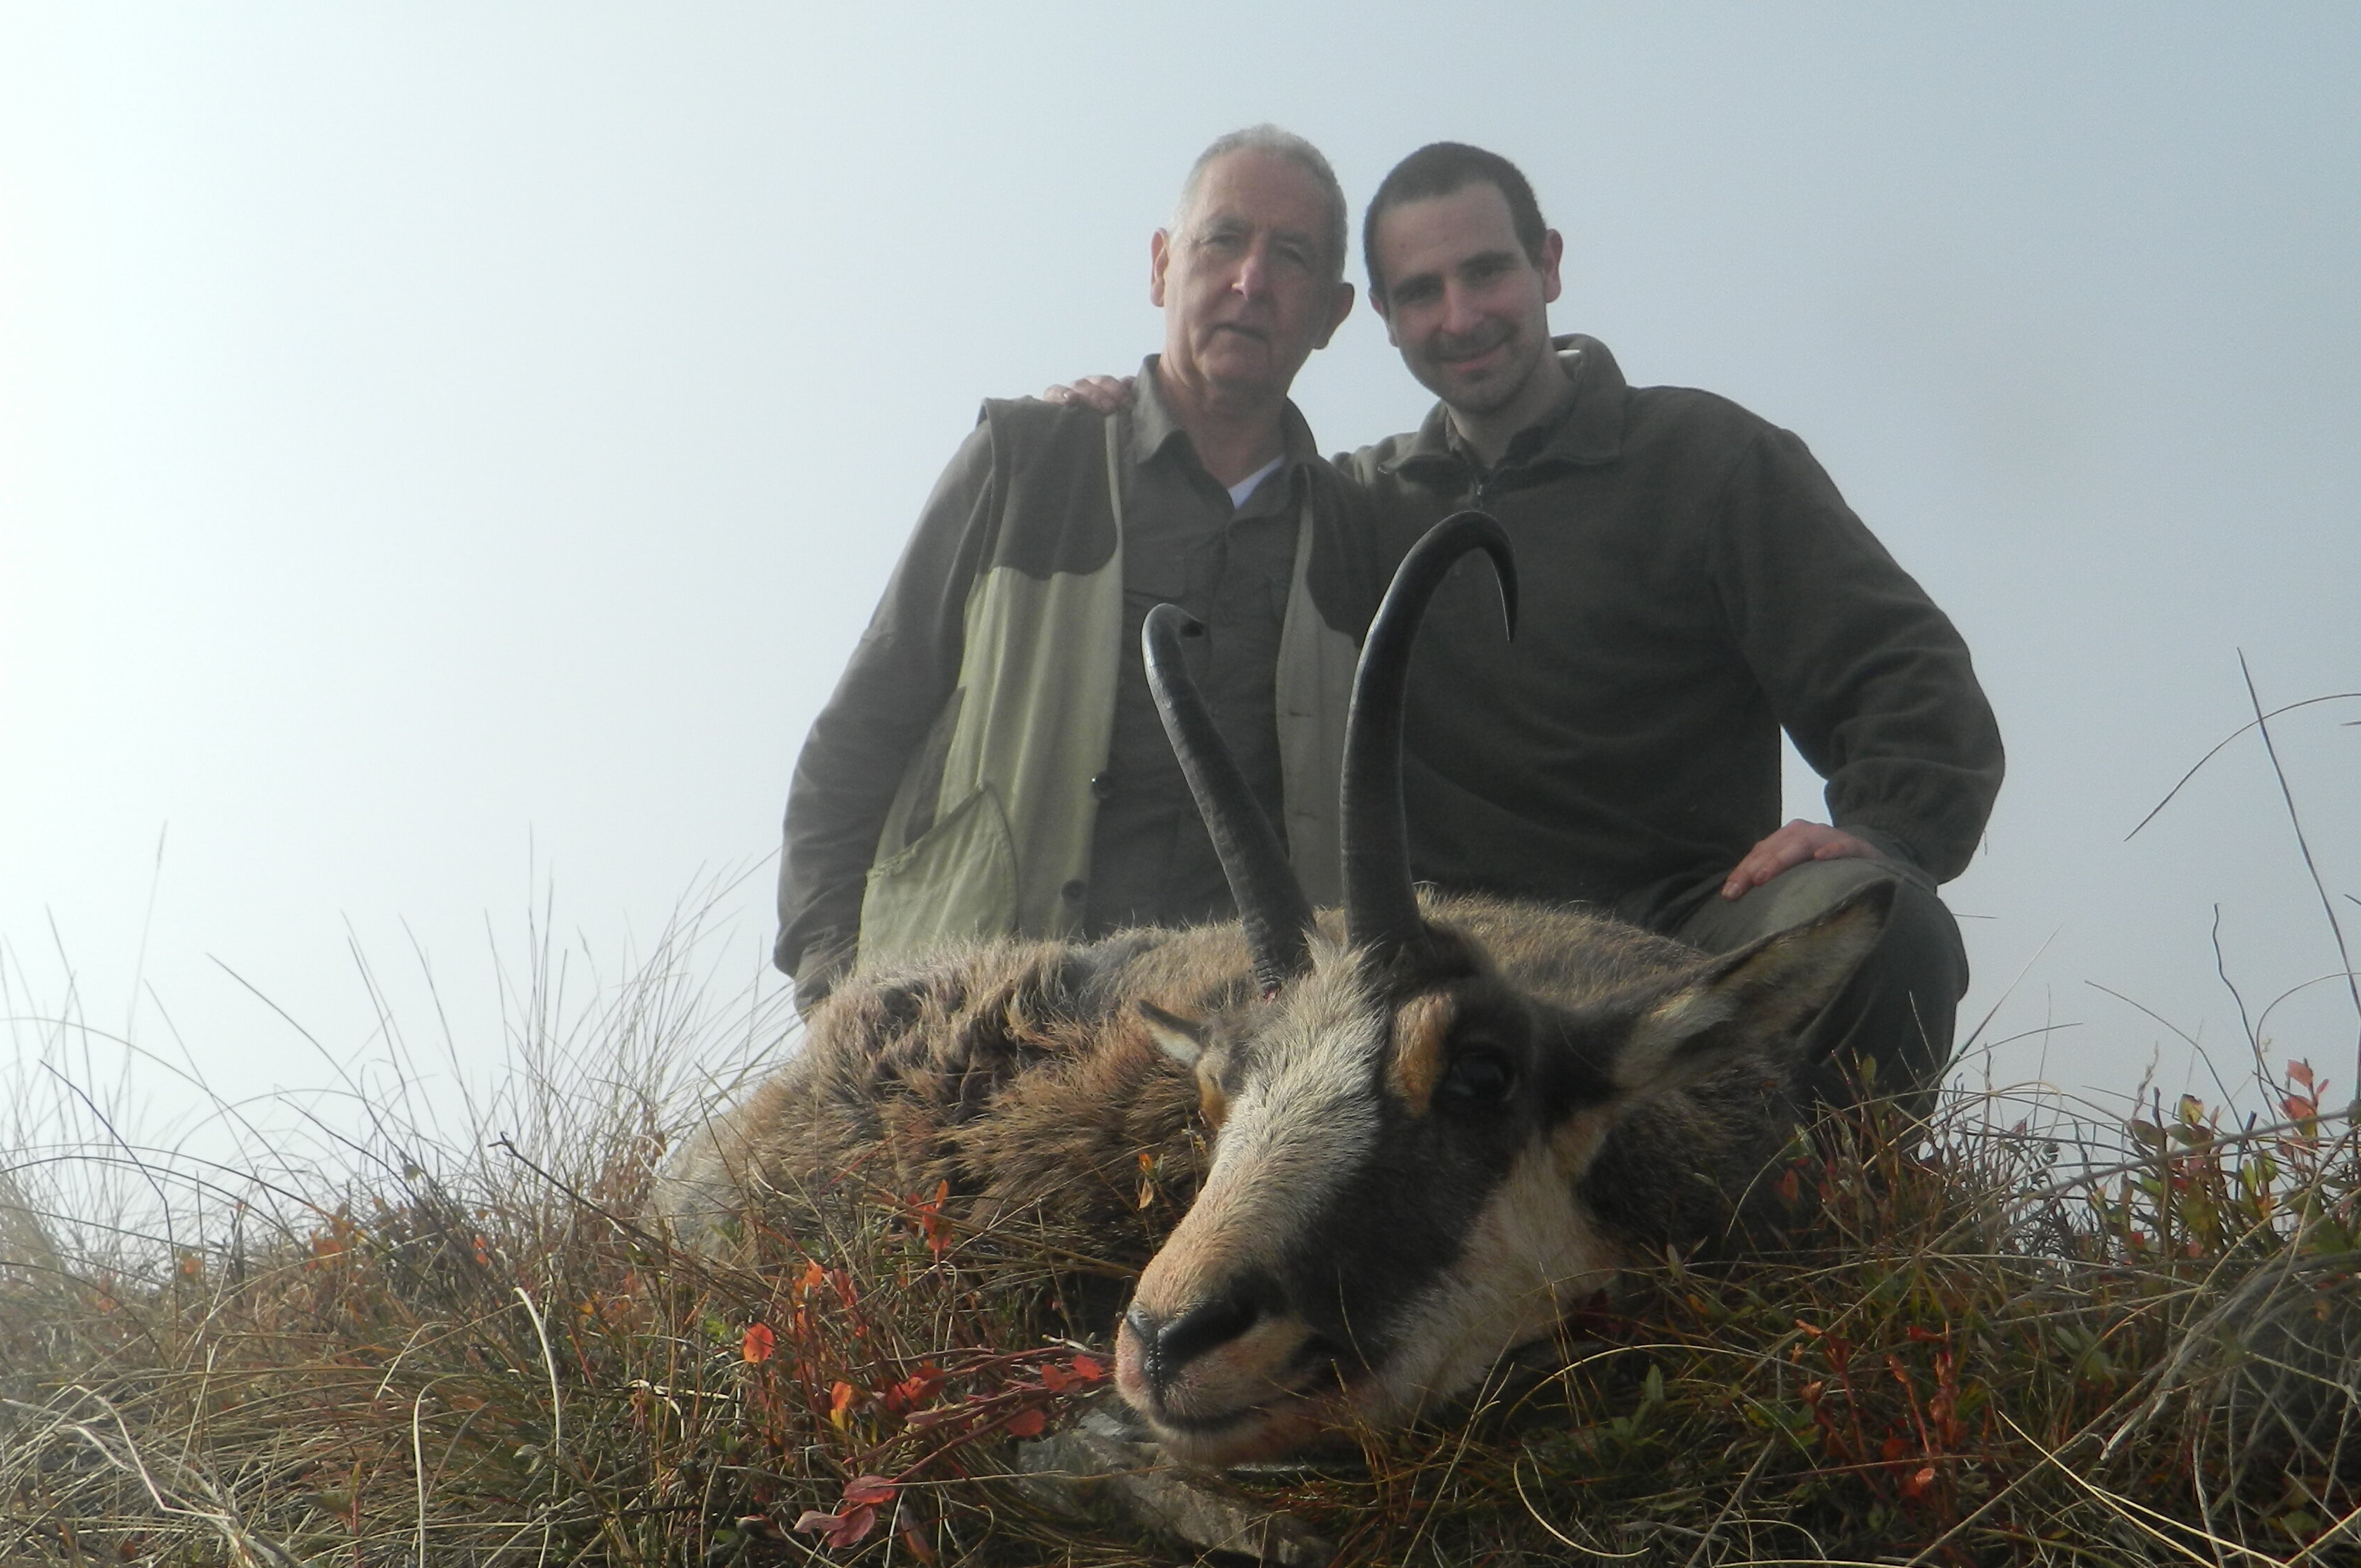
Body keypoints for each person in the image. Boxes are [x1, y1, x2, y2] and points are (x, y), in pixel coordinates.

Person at [1055, 142, 2000, 1106]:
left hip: (1684, 932)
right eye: (1421, 292)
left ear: (1547, 262)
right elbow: (1218, 492)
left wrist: (1886, 831)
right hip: (1443, 965)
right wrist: (1113, 424)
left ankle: (1809, 1238)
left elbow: (1903, 673)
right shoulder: (1351, 509)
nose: (1461, 318)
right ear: (1380, 319)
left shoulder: (1707, 459)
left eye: (1487, 272)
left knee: (1885, 927)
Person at [771, 127, 1386, 1008]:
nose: (1251, 280)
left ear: (1332, 314)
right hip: (979, 1050)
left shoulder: (1361, 539)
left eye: (1291, 256)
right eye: (1223, 239)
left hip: (1239, 1081)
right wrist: (836, 989)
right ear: (1161, 266)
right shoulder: (1026, 463)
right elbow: (855, 745)